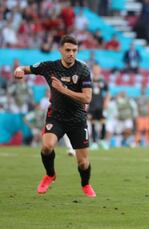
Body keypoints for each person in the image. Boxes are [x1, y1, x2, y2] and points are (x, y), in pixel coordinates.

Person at [13, 35, 96, 197]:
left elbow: (87, 98)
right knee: (47, 147)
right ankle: (50, 175)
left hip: (78, 119)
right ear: (60, 50)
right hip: (56, 116)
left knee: (83, 163)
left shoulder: (83, 70)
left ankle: (85, 184)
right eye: (68, 50)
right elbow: (25, 68)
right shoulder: (49, 67)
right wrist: (19, 70)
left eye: (74, 50)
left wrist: (63, 89)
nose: (71, 53)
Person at [88, 64, 110, 150]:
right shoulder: (89, 80)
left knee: (103, 122)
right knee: (93, 123)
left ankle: (102, 140)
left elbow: (108, 93)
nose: (96, 70)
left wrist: (106, 102)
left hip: (101, 105)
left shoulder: (103, 81)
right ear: (92, 70)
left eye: (98, 69)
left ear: (100, 70)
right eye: (95, 69)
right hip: (92, 105)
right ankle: (94, 142)